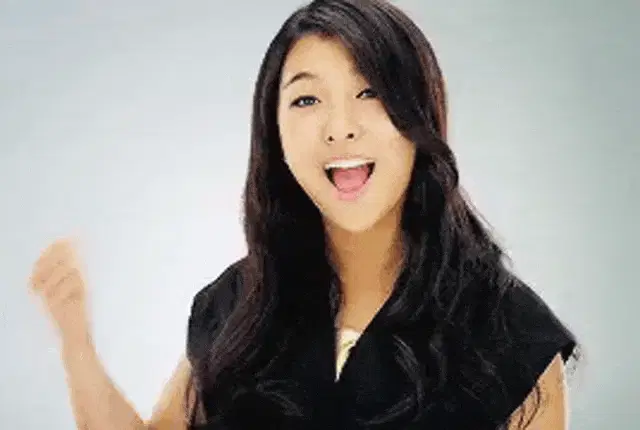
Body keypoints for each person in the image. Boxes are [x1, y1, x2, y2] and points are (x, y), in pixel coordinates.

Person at [29, 0, 578, 429]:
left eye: (370, 92)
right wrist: (76, 340)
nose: (340, 128)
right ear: (275, 133)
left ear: (420, 117)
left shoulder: (509, 335)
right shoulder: (237, 307)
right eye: (307, 100)